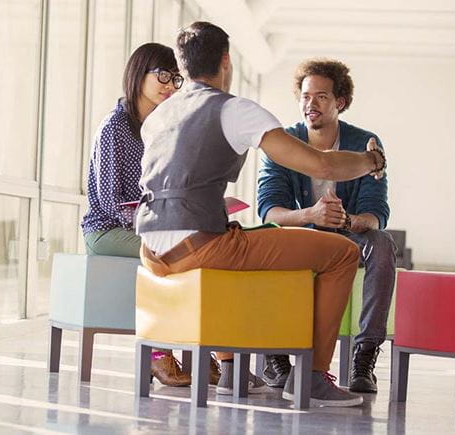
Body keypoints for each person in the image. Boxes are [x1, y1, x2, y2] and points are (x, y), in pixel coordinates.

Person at [136, 22, 386, 407]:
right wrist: (371, 160)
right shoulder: (233, 109)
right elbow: (319, 165)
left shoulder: (159, 115)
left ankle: (234, 367)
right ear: (225, 61)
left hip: (152, 253)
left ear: (183, 67)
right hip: (201, 247)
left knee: (235, 249)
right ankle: (313, 377)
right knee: (343, 255)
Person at [80, 42, 220, 388]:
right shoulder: (115, 126)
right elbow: (111, 201)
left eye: (176, 79)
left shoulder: (161, 129)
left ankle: (203, 350)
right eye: (162, 75)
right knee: (171, 256)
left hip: (148, 227)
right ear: (137, 74)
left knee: (201, 250)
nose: (170, 86)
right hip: (107, 230)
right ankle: (158, 354)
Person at [256, 58, 396, 393]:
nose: (310, 104)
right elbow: (269, 211)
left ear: (340, 103)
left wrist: (348, 220)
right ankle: (276, 357)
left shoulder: (366, 145)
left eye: (321, 97)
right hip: (304, 232)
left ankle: (364, 359)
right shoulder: (283, 141)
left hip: (349, 234)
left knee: (382, 242)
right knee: (265, 240)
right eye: (305, 96)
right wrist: (310, 216)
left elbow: (376, 212)